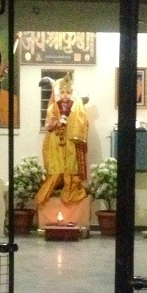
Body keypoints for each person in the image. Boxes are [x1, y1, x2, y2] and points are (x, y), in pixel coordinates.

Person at [35, 71, 89, 206]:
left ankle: (70, 193)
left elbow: (81, 121)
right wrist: (57, 122)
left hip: (70, 140)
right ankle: (47, 193)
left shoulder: (76, 106)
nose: (65, 95)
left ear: (72, 93)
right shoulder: (53, 106)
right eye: (63, 92)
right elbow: (49, 123)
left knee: (71, 167)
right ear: (59, 93)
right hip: (56, 139)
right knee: (56, 168)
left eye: (68, 92)